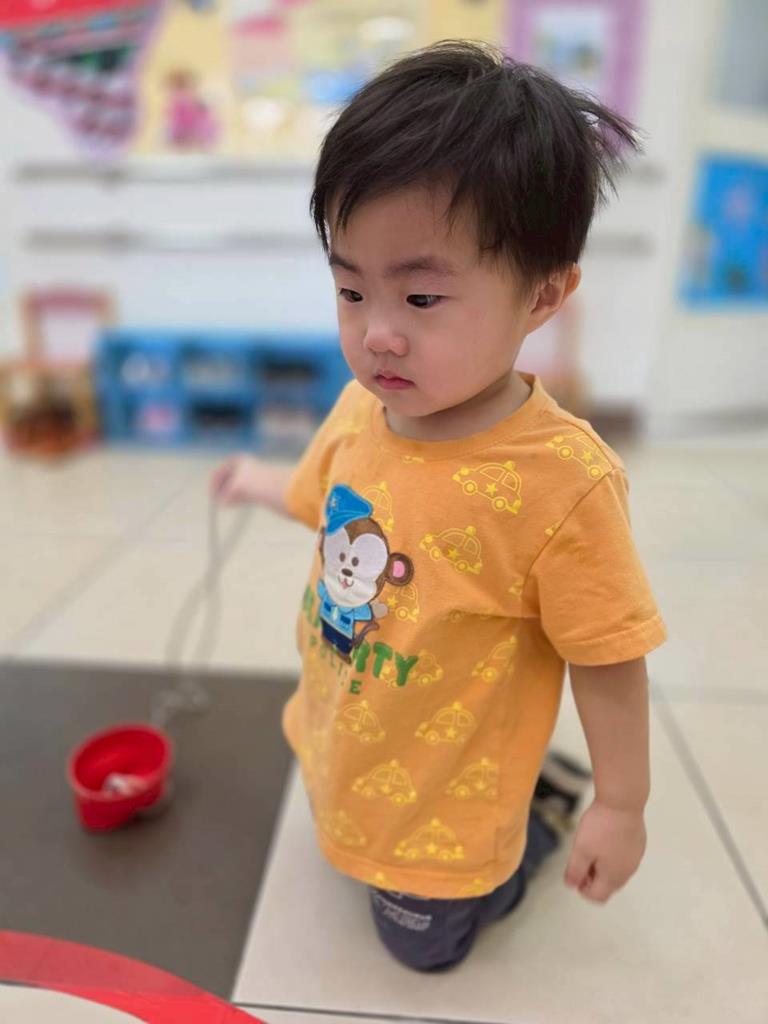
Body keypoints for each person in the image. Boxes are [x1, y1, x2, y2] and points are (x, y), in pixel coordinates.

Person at [211, 41, 667, 971]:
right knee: (342, 832)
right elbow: (324, 501)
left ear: (543, 294)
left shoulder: (561, 483)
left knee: (421, 950)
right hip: (351, 726)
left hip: (450, 800)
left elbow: (609, 655)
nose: (377, 332)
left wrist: (623, 805)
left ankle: (534, 823)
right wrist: (257, 483)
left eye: (421, 296)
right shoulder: (361, 408)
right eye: (350, 289)